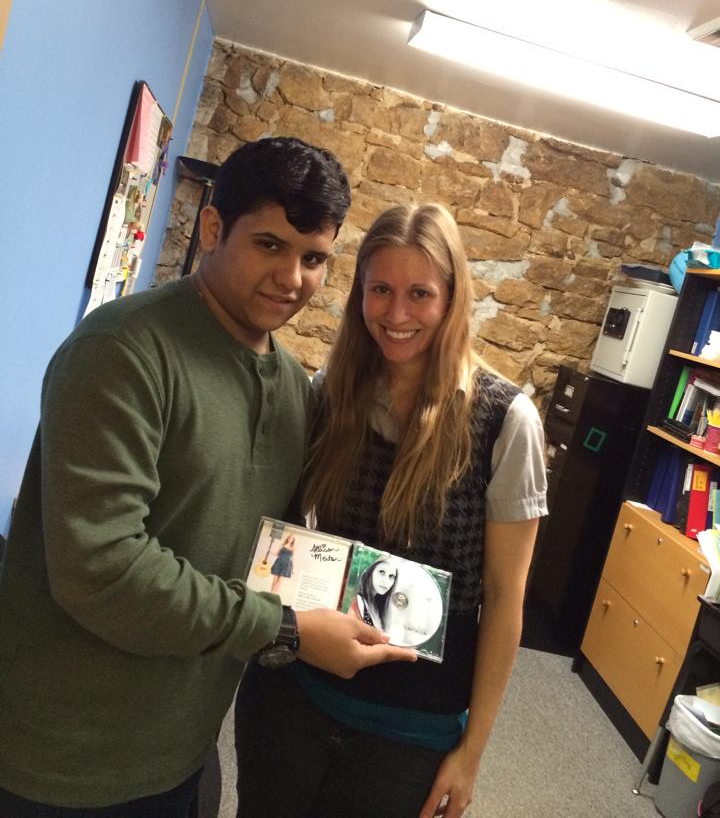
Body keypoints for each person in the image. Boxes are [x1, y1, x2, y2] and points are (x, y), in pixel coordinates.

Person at [0, 137, 414, 818]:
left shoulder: (293, 389)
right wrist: (285, 629)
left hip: (185, 747)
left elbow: (273, 553)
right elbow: (102, 569)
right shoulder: (122, 351)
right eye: (270, 245)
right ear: (213, 228)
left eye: (314, 258)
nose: (292, 278)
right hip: (64, 759)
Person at [235, 202, 548, 818]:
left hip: (408, 734)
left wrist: (472, 753)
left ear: (452, 298)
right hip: (294, 697)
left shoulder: (506, 422)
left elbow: (504, 600)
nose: (397, 314)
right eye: (380, 290)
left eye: (419, 294)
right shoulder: (333, 390)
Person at [350, 556, 399, 630]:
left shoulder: (380, 607)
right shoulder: (359, 601)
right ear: (371, 572)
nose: (386, 581)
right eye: (381, 572)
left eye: (391, 576)